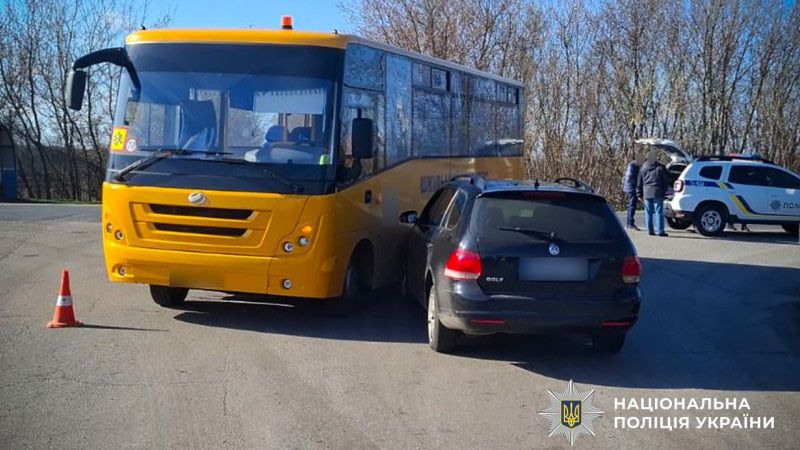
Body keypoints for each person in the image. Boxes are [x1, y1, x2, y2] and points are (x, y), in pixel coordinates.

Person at [636, 150, 671, 237]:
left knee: (648, 212)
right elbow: (666, 180)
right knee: (659, 212)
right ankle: (660, 231)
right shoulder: (660, 167)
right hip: (658, 191)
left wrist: (639, 194)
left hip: (646, 192)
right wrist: (665, 190)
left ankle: (650, 230)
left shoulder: (643, 168)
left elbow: (639, 182)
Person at [622, 153, 645, 230]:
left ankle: (630, 223)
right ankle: (630, 223)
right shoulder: (634, 166)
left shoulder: (631, 165)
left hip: (629, 187)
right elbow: (632, 178)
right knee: (632, 205)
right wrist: (637, 188)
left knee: (631, 205)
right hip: (631, 188)